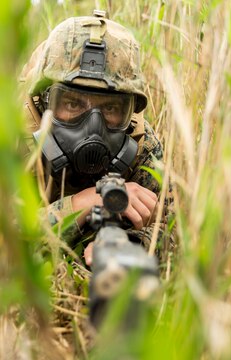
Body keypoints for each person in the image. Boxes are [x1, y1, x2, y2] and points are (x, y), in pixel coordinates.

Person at [20, 10, 170, 266]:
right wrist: (86, 202)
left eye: (111, 109)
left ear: (130, 113)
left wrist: (131, 244)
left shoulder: (140, 143)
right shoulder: (12, 139)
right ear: (44, 102)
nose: (93, 126)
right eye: (72, 103)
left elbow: (169, 230)